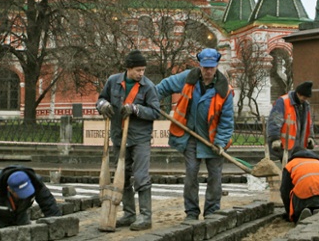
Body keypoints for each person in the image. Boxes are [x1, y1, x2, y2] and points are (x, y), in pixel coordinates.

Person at [156, 48, 234, 220]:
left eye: (211, 67)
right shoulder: (187, 79)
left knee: (215, 176)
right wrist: (151, 99)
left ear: (216, 66)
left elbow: (227, 121)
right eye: (205, 67)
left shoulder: (225, 90)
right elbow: (164, 86)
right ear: (199, 66)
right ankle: (191, 212)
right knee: (191, 172)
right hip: (191, 136)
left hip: (213, 141)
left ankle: (212, 211)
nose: (207, 71)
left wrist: (220, 142)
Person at [96, 49, 160, 231]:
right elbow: (100, 99)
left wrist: (136, 109)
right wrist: (103, 105)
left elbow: (155, 112)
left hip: (140, 138)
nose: (141, 74)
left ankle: (145, 216)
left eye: (143, 70)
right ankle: (129, 214)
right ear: (128, 69)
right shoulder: (113, 81)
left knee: (141, 177)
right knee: (121, 177)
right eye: (138, 70)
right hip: (119, 136)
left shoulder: (148, 87)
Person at [0, 165, 61, 233]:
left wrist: (57, 228)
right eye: (21, 193)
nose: (26, 196)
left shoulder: (36, 183)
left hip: (20, 216)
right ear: (9, 189)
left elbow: (49, 205)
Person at [280, 147, 319, 223]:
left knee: (295, 193)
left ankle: (303, 213)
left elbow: (284, 191)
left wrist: (290, 214)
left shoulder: (290, 165)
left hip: (304, 200)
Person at [267, 81, 315, 160]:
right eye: (304, 97)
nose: (305, 100)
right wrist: (274, 138)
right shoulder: (283, 102)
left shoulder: (305, 105)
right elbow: (275, 121)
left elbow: (309, 123)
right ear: (298, 94)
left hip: (299, 146)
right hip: (284, 146)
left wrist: (310, 137)